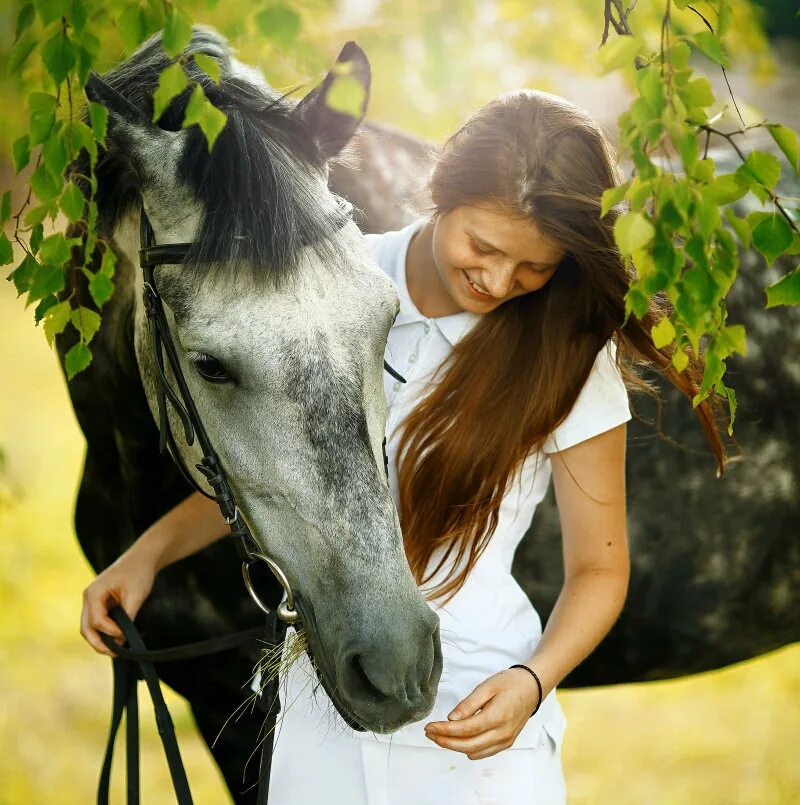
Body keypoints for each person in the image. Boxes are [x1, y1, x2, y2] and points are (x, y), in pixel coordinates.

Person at [81, 89, 725, 803]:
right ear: (443, 190)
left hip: (476, 727)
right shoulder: (321, 287)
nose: (500, 281)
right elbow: (285, 467)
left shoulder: (570, 354)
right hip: (323, 707)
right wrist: (144, 556)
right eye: (483, 246)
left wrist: (532, 681)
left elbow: (600, 569)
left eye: (534, 267)